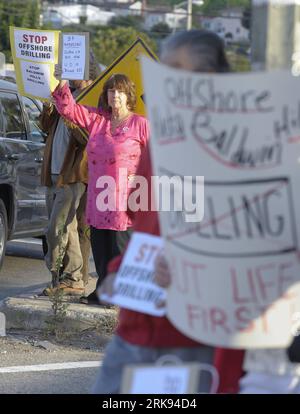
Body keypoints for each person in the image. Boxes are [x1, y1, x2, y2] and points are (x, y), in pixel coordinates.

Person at [93, 30, 245, 394]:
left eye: (181, 70)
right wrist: (117, 274)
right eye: (166, 70)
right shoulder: (160, 143)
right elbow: (146, 230)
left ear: (212, 80)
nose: (169, 81)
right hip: (133, 332)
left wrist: (194, 269)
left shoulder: (243, 150)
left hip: (194, 339)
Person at [51, 73, 149, 305]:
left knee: (120, 248)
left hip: (127, 199)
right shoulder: (98, 120)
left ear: (129, 97)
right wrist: (63, 82)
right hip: (99, 196)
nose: (115, 95)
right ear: (105, 95)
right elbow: (68, 110)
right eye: (111, 91)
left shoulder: (140, 124)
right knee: (101, 247)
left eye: (121, 92)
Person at [40, 78, 94, 296]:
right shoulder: (64, 94)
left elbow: (87, 137)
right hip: (53, 173)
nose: (71, 76)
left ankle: (70, 275)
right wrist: (48, 105)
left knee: (57, 228)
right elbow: (44, 126)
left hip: (73, 175)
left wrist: (70, 109)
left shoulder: (91, 99)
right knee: (66, 228)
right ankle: (68, 280)